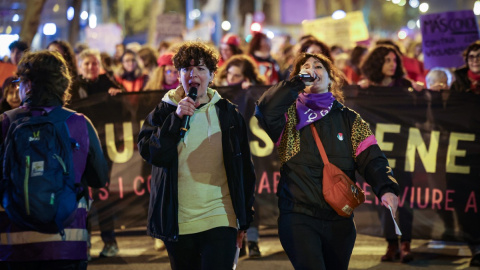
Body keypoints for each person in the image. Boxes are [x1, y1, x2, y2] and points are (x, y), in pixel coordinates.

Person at [254, 52, 400, 270]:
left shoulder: (350, 119)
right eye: (306, 67)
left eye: (318, 66)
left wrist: (387, 188)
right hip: (298, 217)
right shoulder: (288, 117)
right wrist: (297, 82)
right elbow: (265, 109)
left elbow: (372, 158)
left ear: (331, 79)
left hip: (339, 220)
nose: (312, 69)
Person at [137, 41, 256, 270]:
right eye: (187, 69)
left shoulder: (228, 113)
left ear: (212, 75)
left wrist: (245, 218)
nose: (193, 74)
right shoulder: (165, 111)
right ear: (179, 75)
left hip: (221, 216)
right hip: (179, 221)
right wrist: (176, 119)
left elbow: (244, 169)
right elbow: (152, 153)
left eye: (201, 69)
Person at [0, 50, 109, 269]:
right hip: (68, 244)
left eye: (19, 82)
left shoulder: (5, 123)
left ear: (28, 85)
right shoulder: (79, 123)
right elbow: (99, 178)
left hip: (14, 246)